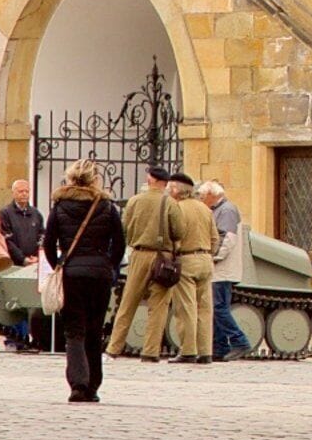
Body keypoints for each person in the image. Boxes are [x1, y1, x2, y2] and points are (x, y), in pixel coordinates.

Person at [43, 161, 126, 403]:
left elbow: (48, 242)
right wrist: (110, 266)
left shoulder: (60, 206)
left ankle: (78, 384)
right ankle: (93, 385)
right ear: (94, 180)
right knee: (94, 330)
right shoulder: (106, 206)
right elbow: (119, 243)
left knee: (74, 331)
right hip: (99, 274)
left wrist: (59, 264)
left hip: (71, 273)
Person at [113, 166, 183, 361]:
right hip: (163, 257)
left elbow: (124, 228)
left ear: (151, 180)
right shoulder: (170, 203)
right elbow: (179, 231)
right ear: (165, 183)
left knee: (128, 303)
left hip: (139, 254)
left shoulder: (134, 201)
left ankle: (113, 347)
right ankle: (150, 351)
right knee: (158, 307)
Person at [163, 174, 219, 366]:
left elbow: (173, 236)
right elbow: (215, 238)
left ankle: (188, 350)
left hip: (186, 259)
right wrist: (208, 253)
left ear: (176, 190)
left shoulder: (177, 208)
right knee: (205, 309)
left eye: (170, 187)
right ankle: (205, 352)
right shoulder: (205, 209)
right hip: (205, 259)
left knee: (186, 308)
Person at [0, 180, 48, 352]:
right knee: (14, 302)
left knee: (30, 301)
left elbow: (42, 235)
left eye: (26, 191)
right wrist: (22, 258)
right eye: (20, 191)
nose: (24, 194)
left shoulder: (36, 214)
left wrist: (38, 255)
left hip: (33, 264)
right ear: (14, 192)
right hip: (14, 264)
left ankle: (31, 337)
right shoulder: (5, 214)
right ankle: (15, 338)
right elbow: (7, 239)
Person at [203, 179, 252, 361]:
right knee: (216, 308)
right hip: (219, 269)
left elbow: (226, 239)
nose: (201, 199)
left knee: (219, 308)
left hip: (222, 270)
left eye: (203, 195)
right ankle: (220, 347)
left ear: (212, 195)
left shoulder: (227, 210)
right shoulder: (219, 210)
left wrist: (212, 257)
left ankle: (240, 341)